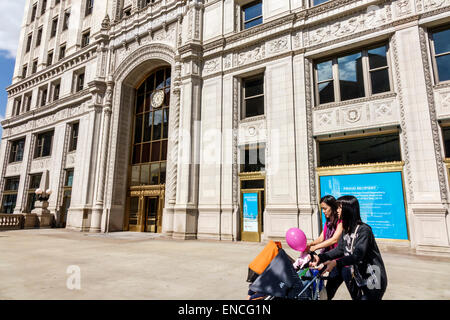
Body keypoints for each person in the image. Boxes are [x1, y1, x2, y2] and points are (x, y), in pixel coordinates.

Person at [310, 195, 388, 300]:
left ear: (348, 209)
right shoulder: (346, 230)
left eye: (339, 207)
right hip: (359, 275)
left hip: (373, 277)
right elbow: (340, 250)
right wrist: (321, 257)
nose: (336, 210)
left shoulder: (364, 230)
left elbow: (357, 256)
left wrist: (336, 262)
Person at [307, 195, 343, 300]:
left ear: (332, 207)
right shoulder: (328, 222)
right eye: (322, 208)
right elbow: (322, 237)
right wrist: (311, 244)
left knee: (331, 287)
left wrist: (316, 247)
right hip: (329, 256)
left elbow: (334, 239)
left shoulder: (340, 221)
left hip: (338, 258)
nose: (323, 211)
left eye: (325, 208)